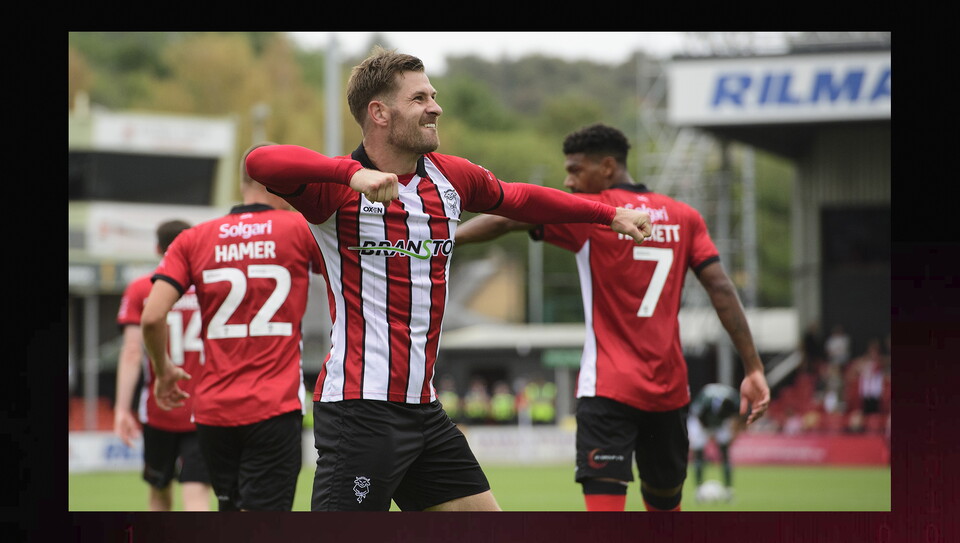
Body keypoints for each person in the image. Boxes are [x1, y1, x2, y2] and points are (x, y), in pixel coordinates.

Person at [243, 47, 653, 512]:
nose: (435, 107)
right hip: (362, 409)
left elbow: (520, 198)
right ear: (379, 112)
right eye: (419, 98)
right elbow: (260, 161)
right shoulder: (334, 191)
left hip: (424, 409)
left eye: (433, 95)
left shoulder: (450, 178)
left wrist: (608, 214)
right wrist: (352, 174)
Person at [455, 123, 770, 512]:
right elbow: (721, 288)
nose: (568, 182)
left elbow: (507, 217)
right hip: (669, 393)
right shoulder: (686, 217)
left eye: (575, 170)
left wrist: (448, 238)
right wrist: (753, 367)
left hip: (608, 389)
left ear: (606, 167)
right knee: (665, 515)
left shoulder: (592, 216)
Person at [141, 142, 323, 511]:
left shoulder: (192, 239)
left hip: (212, 413)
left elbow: (151, 316)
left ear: (244, 183)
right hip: (275, 408)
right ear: (283, 182)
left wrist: (162, 371)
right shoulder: (301, 228)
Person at [113, 219, 213, 511]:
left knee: (159, 493)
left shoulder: (141, 289)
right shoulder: (210, 285)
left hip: (159, 409)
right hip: (204, 408)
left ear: (158, 248)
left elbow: (132, 352)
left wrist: (121, 409)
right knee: (196, 496)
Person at [687, 383, 743, 502]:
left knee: (725, 453)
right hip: (701, 423)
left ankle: (728, 490)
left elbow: (738, 418)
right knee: (699, 454)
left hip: (721, 425)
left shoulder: (734, 400)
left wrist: (733, 433)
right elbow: (698, 416)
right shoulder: (705, 400)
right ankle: (699, 489)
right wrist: (710, 433)